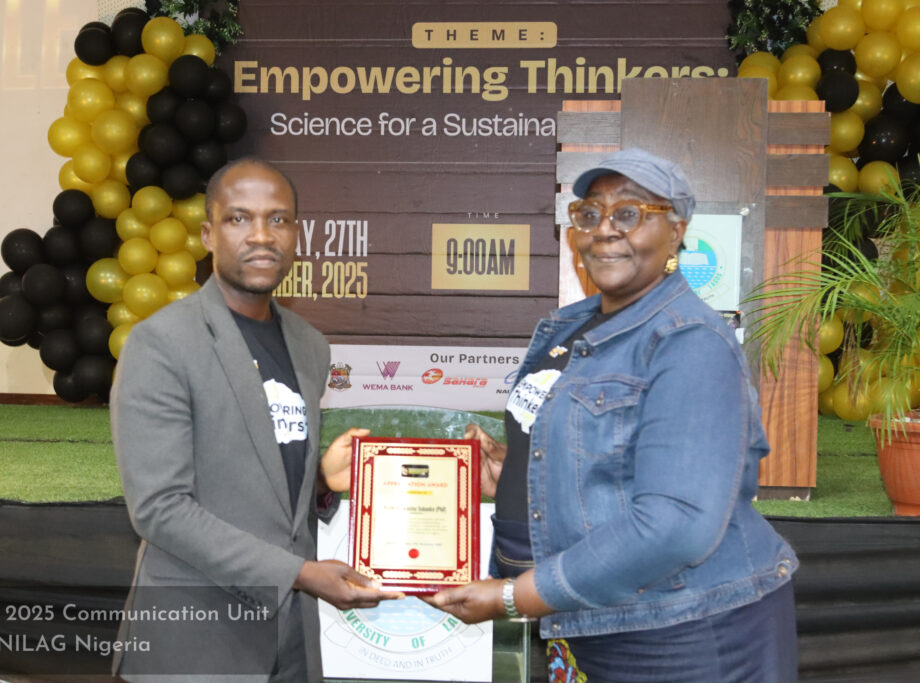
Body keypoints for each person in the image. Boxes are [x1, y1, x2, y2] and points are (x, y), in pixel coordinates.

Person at [425, 148, 799, 683]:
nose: (604, 229)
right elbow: (601, 453)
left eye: (629, 213)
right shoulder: (570, 328)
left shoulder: (689, 341)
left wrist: (515, 596)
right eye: (590, 213)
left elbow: (677, 523)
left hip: (681, 632)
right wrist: (520, 473)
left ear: (676, 231)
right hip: (592, 621)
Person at [110, 158, 401, 682]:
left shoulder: (310, 346)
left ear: (296, 235)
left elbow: (264, 475)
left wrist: (320, 481)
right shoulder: (162, 343)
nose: (262, 235)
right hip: (197, 646)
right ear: (208, 234)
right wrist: (300, 574)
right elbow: (160, 509)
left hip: (293, 645)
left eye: (278, 219)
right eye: (239, 218)